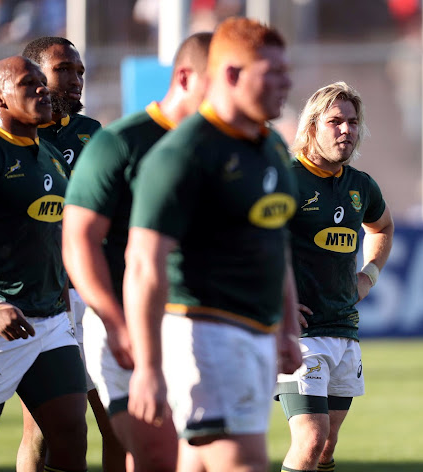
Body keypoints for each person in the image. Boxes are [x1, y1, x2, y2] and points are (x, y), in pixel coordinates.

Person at [123, 17, 302, 472]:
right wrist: (147, 365)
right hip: (207, 334)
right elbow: (144, 263)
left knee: (199, 462)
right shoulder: (183, 154)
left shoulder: (270, 147)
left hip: (255, 333)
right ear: (231, 75)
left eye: (286, 71)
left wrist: (286, 327)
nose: (286, 83)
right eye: (272, 73)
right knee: (242, 463)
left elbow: (275, 240)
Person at [62, 31, 213, 471]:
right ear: (186, 77)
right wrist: (114, 321)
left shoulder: (225, 145)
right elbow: (79, 241)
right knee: (155, 455)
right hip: (128, 322)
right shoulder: (120, 144)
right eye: (220, 81)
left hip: (201, 326)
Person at [0, 56, 87, 472]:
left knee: (70, 433)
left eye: (41, 81)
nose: (42, 90)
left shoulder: (49, 154)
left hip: (50, 321)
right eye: (27, 83)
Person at [274, 81, 394, 472]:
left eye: (353, 122)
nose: (347, 130)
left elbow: (383, 228)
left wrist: (369, 275)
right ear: (311, 127)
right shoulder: (285, 179)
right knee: (310, 440)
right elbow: (246, 240)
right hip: (300, 333)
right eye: (335, 122)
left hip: (344, 329)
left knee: (326, 446)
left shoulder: (360, 185)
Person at [20, 36, 119, 472]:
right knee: (44, 430)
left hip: (91, 293)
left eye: (80, 71)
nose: (77, 80)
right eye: (64, 70)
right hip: (40, 297)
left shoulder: (91, 133)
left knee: (117, 421)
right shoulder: (13, 138)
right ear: (35, 76)